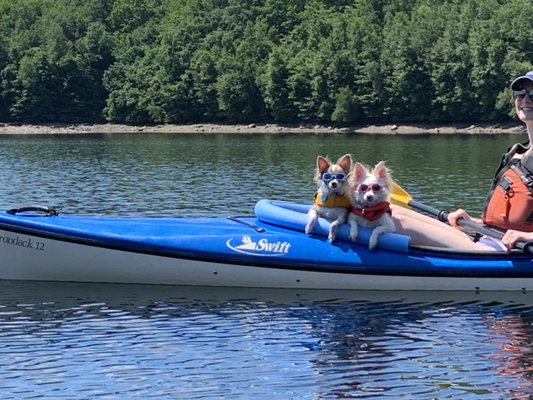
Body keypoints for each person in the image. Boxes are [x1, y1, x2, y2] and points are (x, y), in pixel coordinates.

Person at [391, 70, 533, 251]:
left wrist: (528, 236)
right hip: (489, 238)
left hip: (509, 252)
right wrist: (473, 221)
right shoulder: (518, 154)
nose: (525, 99)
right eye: (520, 94)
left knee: (399, 222)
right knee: (393, 210)